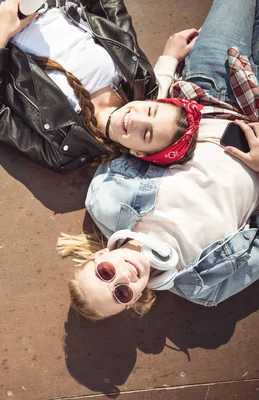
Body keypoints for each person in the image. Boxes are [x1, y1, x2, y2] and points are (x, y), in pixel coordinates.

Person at [57, 0, 259, 320]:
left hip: (208, 90)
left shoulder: (106, 200)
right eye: (121, 294)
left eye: (106, 274)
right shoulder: (205, 285)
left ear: (97, 259)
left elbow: (138, 135)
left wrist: (166, 64)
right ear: (134, 301)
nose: (123, 278)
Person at [0, 0, 203, 171]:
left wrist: (0, 38)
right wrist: (170, 59)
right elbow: (111, 11)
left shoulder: (67, 150)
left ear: (139, 154)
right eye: (151, 111)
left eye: (146, 134)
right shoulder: (139, 77)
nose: (137, 120)